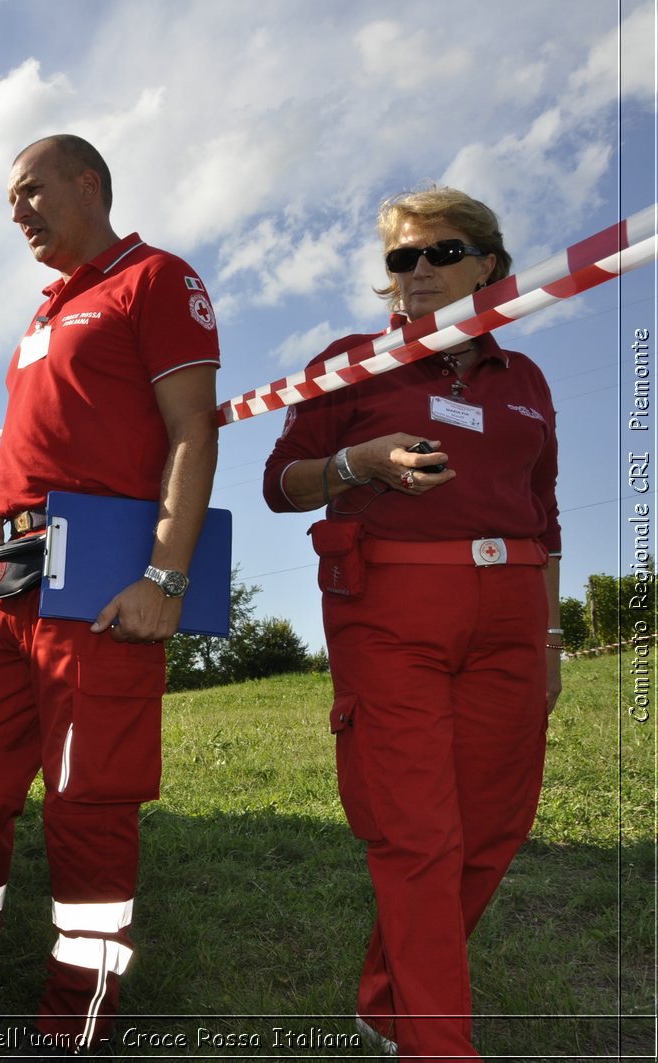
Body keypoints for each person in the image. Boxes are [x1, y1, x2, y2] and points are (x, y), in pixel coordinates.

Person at [0, 135, 220, 1051]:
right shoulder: (42, 312)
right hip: (6, 588)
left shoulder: (155, 278)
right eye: (9, 198)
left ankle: (75, 1027)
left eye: (29, 190)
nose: (15, 210)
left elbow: (192, 429)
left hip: (100, 593)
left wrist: (165, 574)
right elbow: (43, 446)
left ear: (87, 183)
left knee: (87, 804)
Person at [261, 187, 558, 1059]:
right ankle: (437, 1043)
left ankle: (388, 997)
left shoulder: (529, 378)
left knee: (495, 826)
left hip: (510, 613)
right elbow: (281, 482)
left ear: (492, 268)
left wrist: (548, 637)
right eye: (402, 258)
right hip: (390, 611)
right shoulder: (350, 362)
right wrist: (358, 463)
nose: (418, 271)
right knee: (420, 833)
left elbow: (543, 513)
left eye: (442, 252)